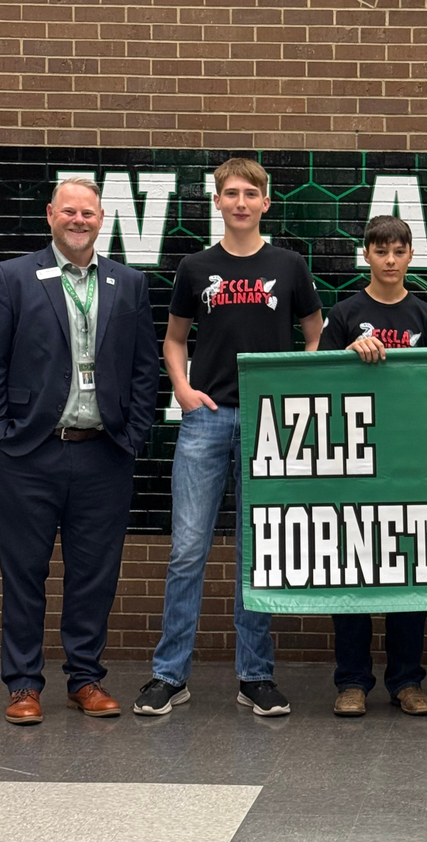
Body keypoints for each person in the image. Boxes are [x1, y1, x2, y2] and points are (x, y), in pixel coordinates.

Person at [134, 158, 323, 718]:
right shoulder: (196, 267)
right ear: (216, 202)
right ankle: (169, 676)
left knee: (256, 552)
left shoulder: (289, 265)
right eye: (230, 194)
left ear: (267, 202)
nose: (240, 202)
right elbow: (173, 339)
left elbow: (316, 336)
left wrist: (294, 388)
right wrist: (183, 390)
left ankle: (255, 675)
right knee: (188, 549)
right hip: (207, 419)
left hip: (269, 423)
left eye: (251, 194)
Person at [0, 177, 159, 724]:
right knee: (24, 571)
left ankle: (86, 679)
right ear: (51, 214)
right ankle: (24, 685)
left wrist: (134, 434)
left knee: (94, 573)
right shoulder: (11, 278)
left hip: (104, 452)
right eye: (69, 211)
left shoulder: (129, 284)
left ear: (103, 219)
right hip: (27, 453)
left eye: (90, 213)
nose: (80, 220)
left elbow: (145, 368)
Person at [319, 214, 427, 717]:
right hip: (355, 458)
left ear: (410, 255)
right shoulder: (346, 313)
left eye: (399, 251)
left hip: (411, 458)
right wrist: (347, 352)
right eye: (380, 251)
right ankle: (352, 681)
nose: (390, 260)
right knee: (352, 568)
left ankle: (406, 681)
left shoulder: (425, 316)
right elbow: (316, 378)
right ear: (366, 256)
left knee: (408, 568)